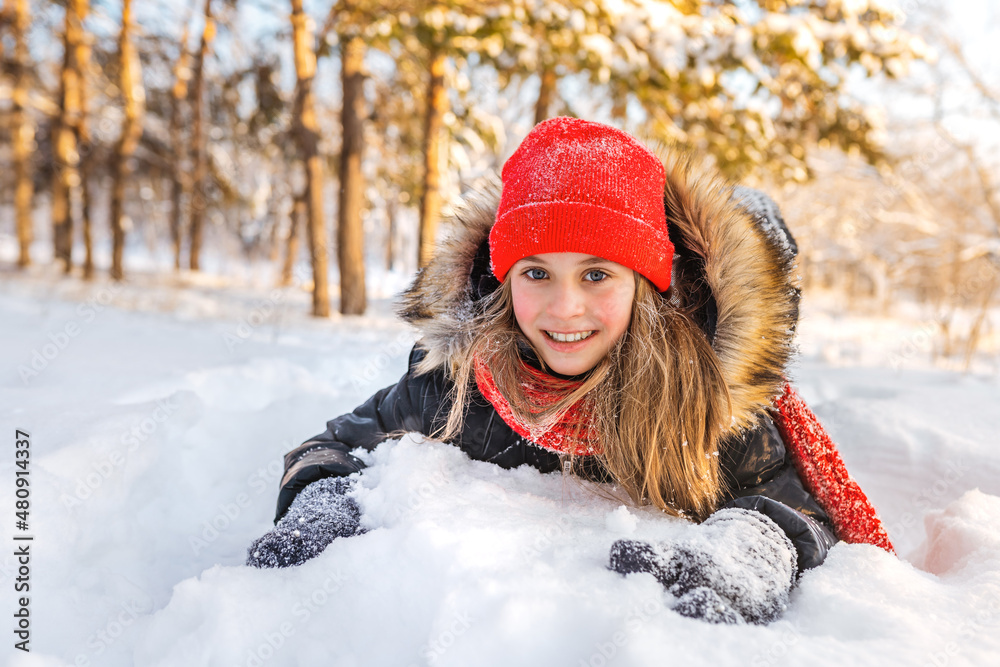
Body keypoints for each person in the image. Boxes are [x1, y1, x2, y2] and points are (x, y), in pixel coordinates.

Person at [246, 117, 893, 625]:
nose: (564, 308)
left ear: (645, 283)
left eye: (596, 274)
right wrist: (324, 496)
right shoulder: (459, 380)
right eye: (536, 273)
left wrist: (752, 545)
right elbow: (336, 441)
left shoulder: (705, 401)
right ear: (503, 277)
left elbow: (803, 509)